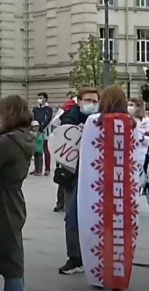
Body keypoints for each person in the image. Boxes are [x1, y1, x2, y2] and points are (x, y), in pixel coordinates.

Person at [76, 86, 148, 289]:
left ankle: (98, 276)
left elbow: (86, 152)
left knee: (96, 231)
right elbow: (141, 145)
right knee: (123, 231)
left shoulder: (94, 122)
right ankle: (119, 275)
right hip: (126, 192)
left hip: (96, 192)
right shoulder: (131, 124)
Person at [0, 95, 34, 291]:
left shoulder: (7, 142)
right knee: (13, 259)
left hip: (1, 202)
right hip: (13, 200)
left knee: (11, 263)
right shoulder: (22, 136)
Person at [57, 86, 98, 275]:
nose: (92, 105)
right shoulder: (69, 119)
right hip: (73, 177)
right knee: (71, 218)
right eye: (88, 100)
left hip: (94, 177)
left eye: (95, 101)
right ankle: (75, 258)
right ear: (79, 101)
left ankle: (93, 256)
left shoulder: (99, 121)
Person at [32, 92, 54, 176]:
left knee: (45, 150)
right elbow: (34, 118)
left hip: (45, 132)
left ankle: (47, 169)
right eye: (38, 98)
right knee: (37, 150)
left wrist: (41, 129)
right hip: (35, 131)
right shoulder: (35, 109)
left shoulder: (48, 109)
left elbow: (48, 120)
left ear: (45, 99)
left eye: (41, 98)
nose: (39, 99)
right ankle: (37, 168)